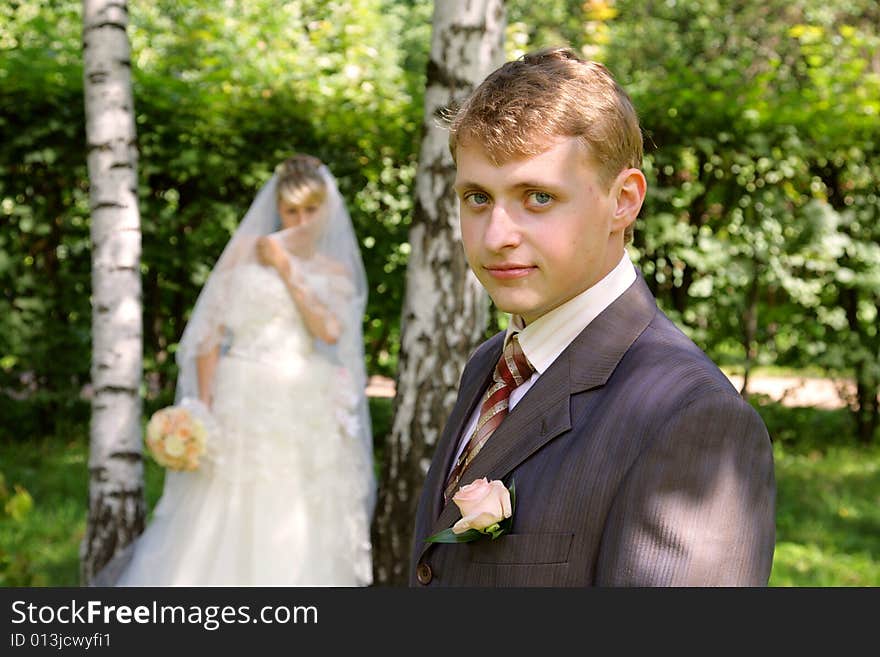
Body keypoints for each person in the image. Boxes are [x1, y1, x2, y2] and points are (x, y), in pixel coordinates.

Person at [410, 47, 776, 586]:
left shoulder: (692, 419)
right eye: (477, 197)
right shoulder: (491, 365)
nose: (496, 236)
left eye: (538, 196)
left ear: (623, 201)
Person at [94, 154, 375, 586]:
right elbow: (209, 333)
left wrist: (286, 268)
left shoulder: (332, 269)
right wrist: (201, 409)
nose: (299, 220)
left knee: (291, 512)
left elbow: (329, 331)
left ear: (326, 211)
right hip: (237, 393)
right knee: (217, 511)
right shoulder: (245, 251)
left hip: (299, 402)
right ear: (277, 208)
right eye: (291, 210)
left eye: (310, 210)